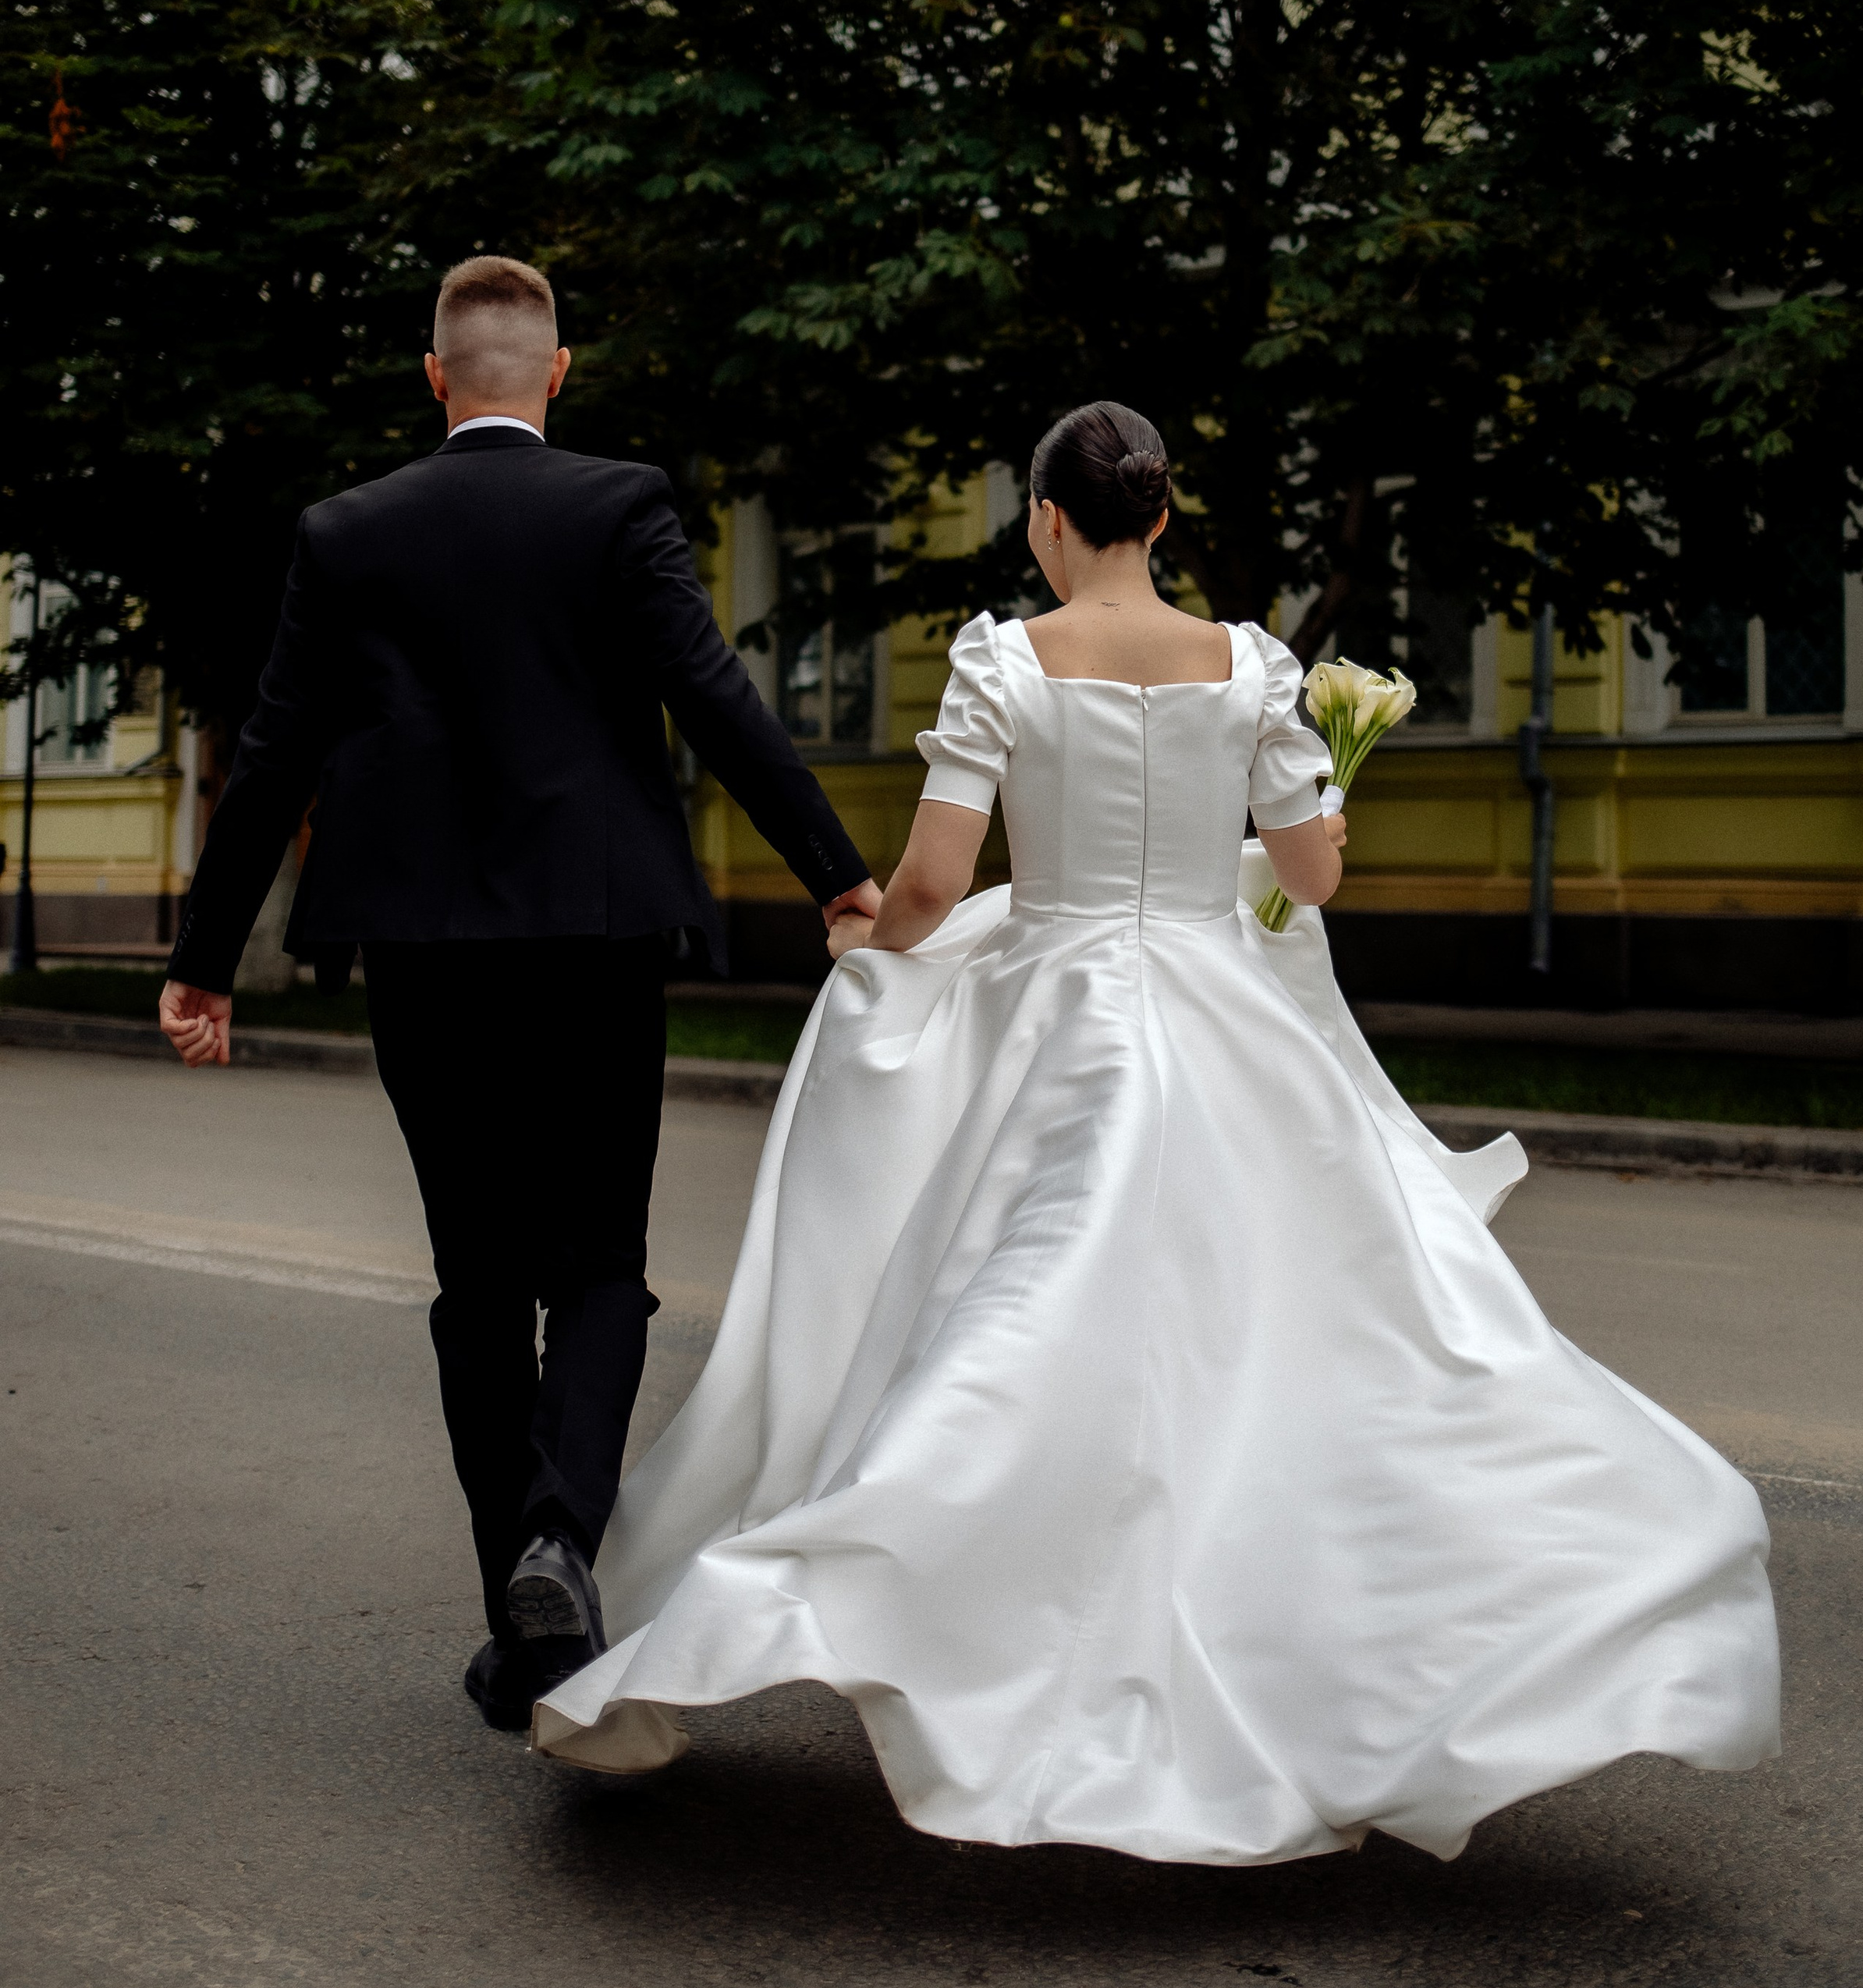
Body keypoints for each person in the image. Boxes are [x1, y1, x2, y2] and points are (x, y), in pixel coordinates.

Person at [532, 399, 1781, 1864]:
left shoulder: (1007, 656)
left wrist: (871, 946)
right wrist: (1282, 830)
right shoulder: (1252, 665)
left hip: (1055, 1008)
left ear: (1048, 522)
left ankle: (978, 1597)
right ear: (1164, 518)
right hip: (1218, 1014)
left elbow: (937, 877)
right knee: (1285, 1339)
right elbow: (1313, 880)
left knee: (1024, 1317)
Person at [158, 257, 880, 1732]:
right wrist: (837, 873)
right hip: (599, 940)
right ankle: (563, 1541)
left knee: (477, 1279)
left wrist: (202, 962)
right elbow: (713, 694)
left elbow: (277, 751)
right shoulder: (617, 506)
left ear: (435, 378)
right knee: (599, 1262)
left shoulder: (346, 534)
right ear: (557, 375)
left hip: (423, 955)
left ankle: (521, 1608)